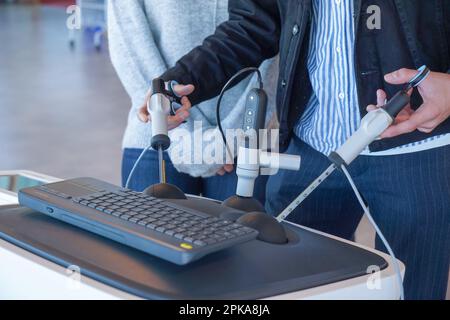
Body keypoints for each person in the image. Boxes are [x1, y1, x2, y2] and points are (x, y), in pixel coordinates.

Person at [139, 0, 450, 299]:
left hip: (418, 148)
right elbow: (252, 24)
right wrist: (180, 81)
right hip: (312, 147)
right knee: (286, 285)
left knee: (412, 291)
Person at [107, 0, 278, 201]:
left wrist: (229, 138)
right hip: (158, 134)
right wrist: (174, 126)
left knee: (246, 232)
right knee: (145, 231)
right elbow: (127, 35)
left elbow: (271, 28)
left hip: (249, 136)